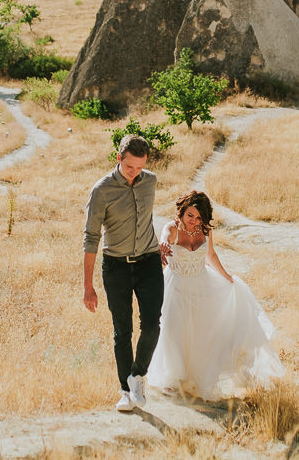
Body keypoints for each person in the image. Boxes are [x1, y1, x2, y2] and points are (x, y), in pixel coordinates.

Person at [148, 191, 284, 400]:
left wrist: (227, 277)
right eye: (190, 215)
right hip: (176, 285)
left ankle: (194, 375)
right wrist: (164, 244)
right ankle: (171, 378)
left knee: (200, 332)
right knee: (173, 328)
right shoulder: (172, 228)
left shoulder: (204, 231)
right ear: (182, 212)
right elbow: (165, 238)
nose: (193, 221)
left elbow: (210, 255)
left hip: (202, 284)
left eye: (198, 217)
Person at [83, 134, 169, 412]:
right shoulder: (101, 190)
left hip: (148, 263)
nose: (134, 173)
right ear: (118, 158)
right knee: (122, 331)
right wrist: (88, 286)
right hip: (116, 266)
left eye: (139, 168)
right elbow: (91, 238)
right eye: (129, 167)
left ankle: (138, 375)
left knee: (152, 324)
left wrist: (167, 239)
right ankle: (124, 391)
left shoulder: (151, 181)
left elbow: (152, 219)